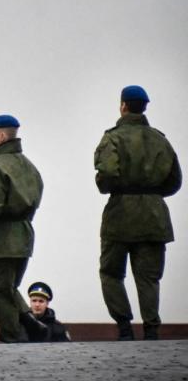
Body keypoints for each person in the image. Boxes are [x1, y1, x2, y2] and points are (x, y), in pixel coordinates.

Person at [95, 85, 182, 340]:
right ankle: (151, 328)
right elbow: (175, 180)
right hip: (155, 216)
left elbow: (107, 175)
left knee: (111, 272)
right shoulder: (160, 139)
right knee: (149, 277)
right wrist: (152, 195)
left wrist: (109, 186)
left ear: (123, 105)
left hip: (120, 214)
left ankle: (124, 327)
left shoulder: (112, 138)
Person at [0, 115, 45, 342]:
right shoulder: (29, 166)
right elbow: (36, 196)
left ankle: (11, 338)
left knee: (0, 292)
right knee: (11, 286)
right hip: (24, 233)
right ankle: (29, 322)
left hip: (3, 235)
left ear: (2, 136)